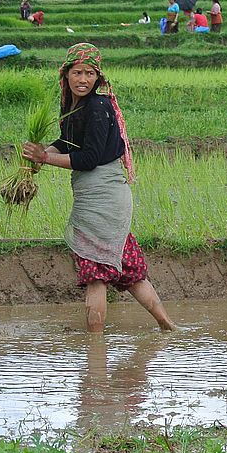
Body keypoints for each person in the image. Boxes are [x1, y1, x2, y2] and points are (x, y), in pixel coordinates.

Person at [21, 42, 176, 333]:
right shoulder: (72, 105)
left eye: (90, 73)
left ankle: (95, 345)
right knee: (130, 272)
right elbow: (68, 142)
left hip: (102, 199)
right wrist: (44, 151)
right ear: (65, 75)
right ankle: (168, 327)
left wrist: (45, 158)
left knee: (96, 276)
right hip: (103, 200)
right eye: (77, 72)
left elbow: (88, 159)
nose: (83, 79)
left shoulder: (97, 107)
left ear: (98, 78)